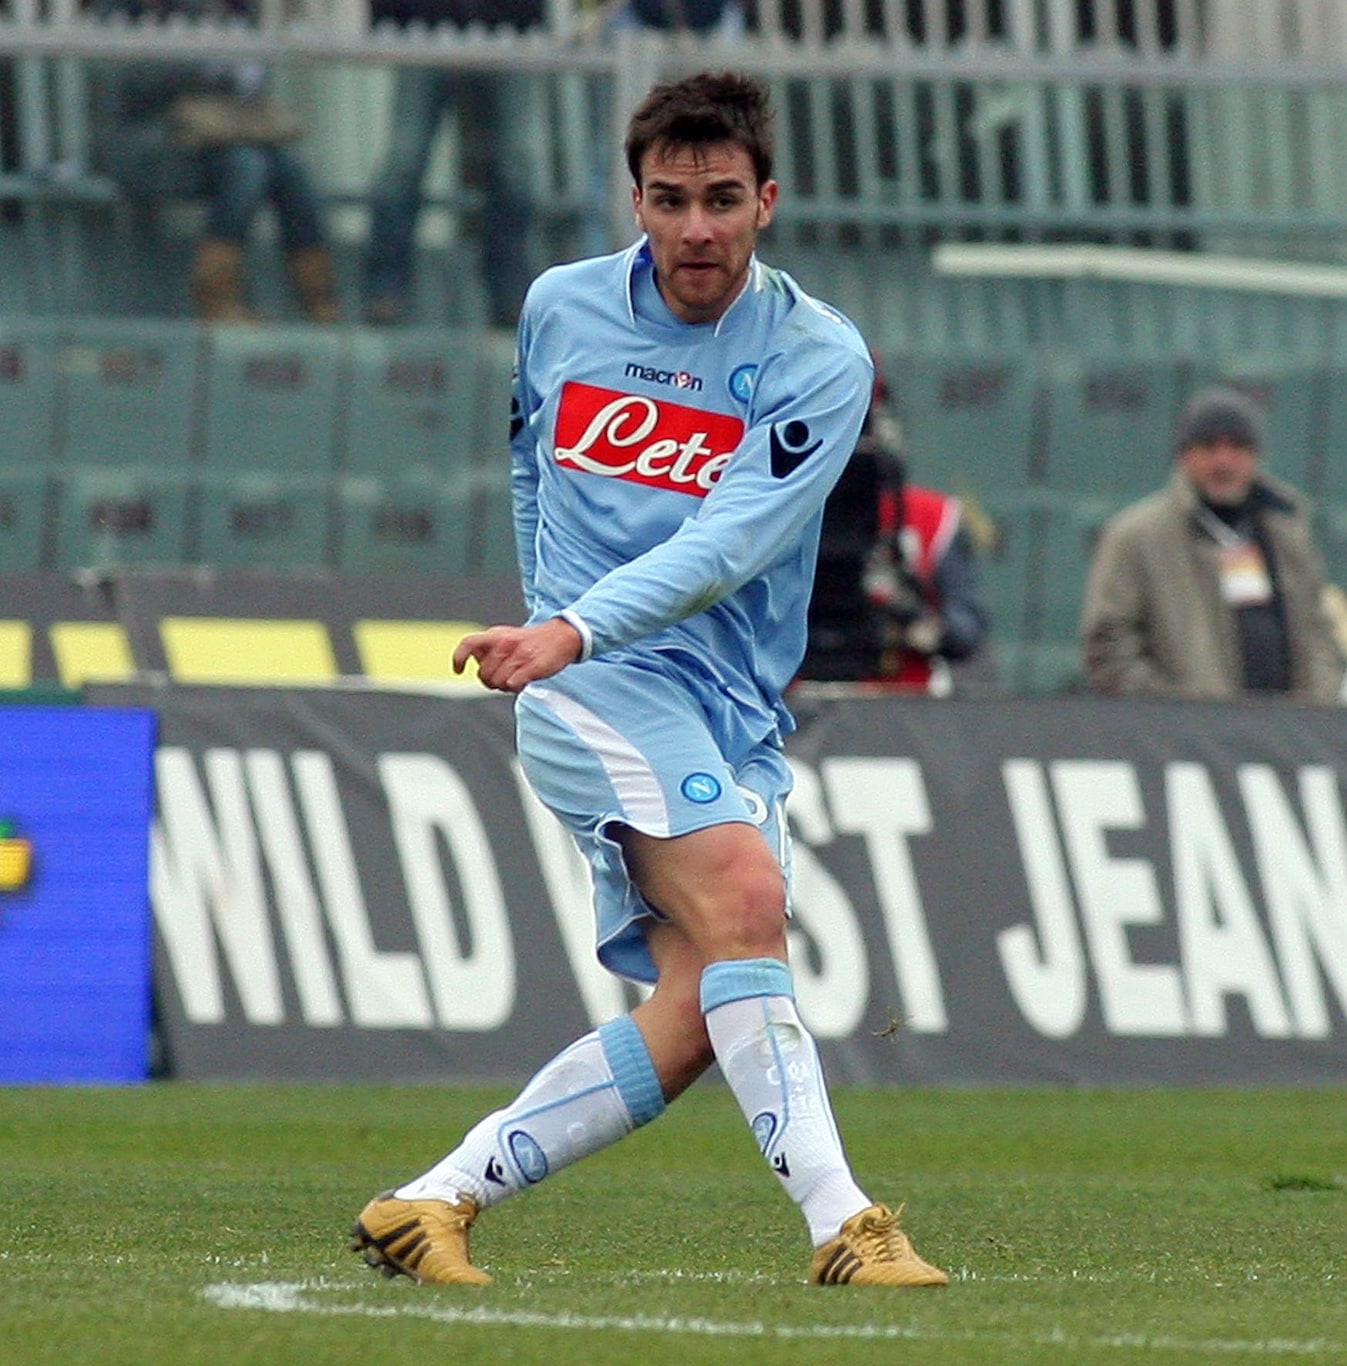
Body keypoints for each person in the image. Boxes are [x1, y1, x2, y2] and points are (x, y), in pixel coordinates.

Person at [348, 71, 946, 1289]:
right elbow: (530, 465)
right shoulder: (559, 307)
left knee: (695, 1008)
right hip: (597, 682)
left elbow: (728, 540)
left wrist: (566, 625)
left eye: (721, 199)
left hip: (722, 702)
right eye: (669, 200)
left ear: (765, 201)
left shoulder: (817, 358)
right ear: (636, 202)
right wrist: (557, 626)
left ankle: (433, 1201)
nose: (695, 228)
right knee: (747, 901)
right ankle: (844, 1223)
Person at [1079, 385, 1345, 700]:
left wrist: (1317, 704)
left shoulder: (1286, 531)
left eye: (1237, 447)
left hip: (1287, 727)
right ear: (1184, 455)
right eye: (1209, 447)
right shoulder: (1137, 537)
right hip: (1183, 729)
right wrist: (1175, 710)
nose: (1223, 461)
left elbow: (1318, 632)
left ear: (1255, 455)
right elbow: (1109, 644)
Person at [92, 0, 340, 322]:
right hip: (153, 147)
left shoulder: (237, 11)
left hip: (219, 143)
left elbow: (248, 89)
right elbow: (126, 82)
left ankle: (318, 297)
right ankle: (216, 296)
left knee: (289, 168)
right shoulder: (134, 8)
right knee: (246, 167)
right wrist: (207, 62)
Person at [360, 0, 547, 328]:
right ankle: (384, 288)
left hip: (504, 34)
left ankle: (511, 293)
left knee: (513, 167)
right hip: (425, 33)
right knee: (404, 162)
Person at [801, 379, 991, 691]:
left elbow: (966, 632)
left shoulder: (933, 518)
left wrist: (914, 619)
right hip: (786, 696)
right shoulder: (774, 511)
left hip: (904, 701)